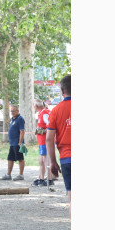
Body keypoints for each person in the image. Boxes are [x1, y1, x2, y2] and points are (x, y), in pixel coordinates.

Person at [46, 75, 71, 213]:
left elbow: (49, 139)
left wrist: (53, 162)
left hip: (67, 158)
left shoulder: (55, 111)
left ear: (62, 90)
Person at [0, 105, 26, 181]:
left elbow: (22, 131)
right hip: (12, 143)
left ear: (18, 111)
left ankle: (21, 175)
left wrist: (20, 142)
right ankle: (8, 174)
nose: (12, 113)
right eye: (11, 111)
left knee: (20, 158)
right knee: (10, 158)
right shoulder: (12, 119)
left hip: (17, 143)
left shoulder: (20, 119)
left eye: (14, 111)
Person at [32, 99, 53, 186]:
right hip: (41, 141)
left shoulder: (44, 113)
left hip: (45, 141)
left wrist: (44, 130)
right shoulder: (41, 113)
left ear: (36, 106)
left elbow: (50, 124)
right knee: (41, 160)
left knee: (45, 160)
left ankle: (49, 179)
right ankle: (41, 177)